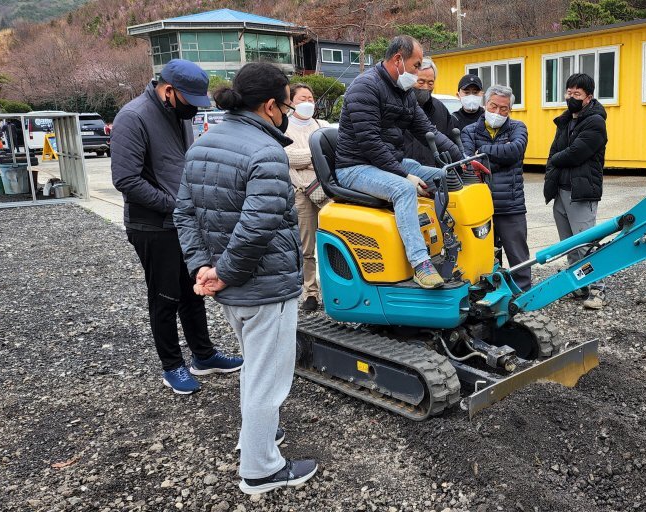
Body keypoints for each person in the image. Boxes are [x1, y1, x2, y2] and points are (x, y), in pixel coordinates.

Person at [174, 62, 317, 496]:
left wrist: (204, 268)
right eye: (288, 104)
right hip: (264, 286)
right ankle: (261, 469)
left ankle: (258, 436)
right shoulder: (266, 151)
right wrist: (221, 273)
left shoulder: (204, 143)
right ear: (271, 105)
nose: (289, 112)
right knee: (266, 379)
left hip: (232, 288)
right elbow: (258, 225)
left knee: (255, 368)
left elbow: (184, 213)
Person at [111, 59, 242, 395]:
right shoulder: (133, 116)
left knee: (192, 291)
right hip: (152, 225)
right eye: (189, 101)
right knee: (164, 296)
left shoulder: (178, 114)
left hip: (183, 221)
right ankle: (172, 366)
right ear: (168, 90)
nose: (193, 110)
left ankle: (203, 355)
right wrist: (176, 205)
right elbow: (126, 179)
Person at [334, 35, 462, 289]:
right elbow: (370, 142)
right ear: (398, 60)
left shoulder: (404, 94)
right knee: (404, 189)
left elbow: (428, 131)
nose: (418, 72)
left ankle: (451, 248)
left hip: (387, 163)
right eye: (416, 66)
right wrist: (404, 175)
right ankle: (420, 264)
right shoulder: (365, 87)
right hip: (354, 167)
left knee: (444, 176)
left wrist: (462, 159)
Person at [544, 73, 608, 310]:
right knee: (569, 243)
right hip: (561, 189)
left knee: (585, 243)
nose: (571, 97)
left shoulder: (595, 122)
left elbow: (575, 153)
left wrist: (555, 160)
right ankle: (578, 284)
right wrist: (555, 162)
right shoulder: (566, 120)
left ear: (588, 97)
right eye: (569, 92)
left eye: (577, 94)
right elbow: (555, 151)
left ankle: (598, 288)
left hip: (581, 192)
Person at [459, 84, 531, 290]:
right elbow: (468, 163)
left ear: (510, 110)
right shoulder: (469, 130)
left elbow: (515, 151)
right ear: (485, 104)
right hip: (479, 207)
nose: (497, 112)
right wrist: (501, 156)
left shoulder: (518, 128)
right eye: (493, 106)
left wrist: (482, 151)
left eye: (503, 108)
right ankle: (487, 293)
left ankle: (523, 293)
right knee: (483, 256)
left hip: (510, 205)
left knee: (518, 256)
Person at [283, 83, 330, 313]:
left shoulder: (323, 126)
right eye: (302, 98)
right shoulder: (283, 128)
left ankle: (333, 290)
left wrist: (306, 160)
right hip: (300, 192)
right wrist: (316, 156)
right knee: (305, 246)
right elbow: (286, 157)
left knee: (332, 242)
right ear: (291, 102)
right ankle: (310, 292)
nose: (308, 102)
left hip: (327, 192)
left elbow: (332, 154)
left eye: (311, 98)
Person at [404, 57, 460, 165]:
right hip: (402, 171)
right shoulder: (398, 106)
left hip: (434, 173)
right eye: (421, 81)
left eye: (430, 83)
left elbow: (449, 143)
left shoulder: (440, 110)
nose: (425, 87)